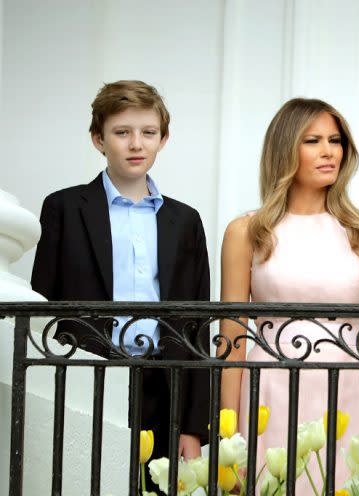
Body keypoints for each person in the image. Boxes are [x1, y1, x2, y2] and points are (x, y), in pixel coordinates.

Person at [31, 81, 210, 480]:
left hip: (164, 387)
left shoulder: (185, 221)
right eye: (122, 132)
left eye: (148, 133)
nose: (136, 144)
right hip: (87, 379)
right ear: (98, 139)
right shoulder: (63, 207)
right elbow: (41, 310)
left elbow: (198, 324)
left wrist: (194, 426)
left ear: (163, 139)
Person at [219, 98, 359, 492]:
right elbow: (231, 339)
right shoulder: (246, 232)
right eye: (313, 140)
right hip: (270, 392)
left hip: (352, 391)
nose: (328, 151)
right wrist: (227, 443)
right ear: (286, 149)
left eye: (335, 140)